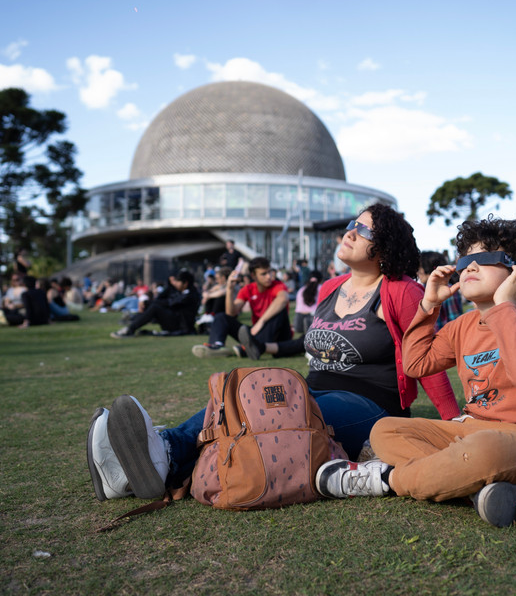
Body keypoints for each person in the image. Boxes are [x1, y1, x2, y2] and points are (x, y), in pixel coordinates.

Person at [87, 204, 460, 501]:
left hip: (371, 404)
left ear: (386, 247)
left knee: (267, 411)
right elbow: (314, 342)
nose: (349, 232)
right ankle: (144, 461)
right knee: (241, 394)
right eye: (352, 223)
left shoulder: (402, 290)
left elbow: (425, 360)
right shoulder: (330, 287)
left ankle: (160, 455)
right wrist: (271, 349)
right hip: (312, 389)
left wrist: (451, 425)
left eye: (363, 229)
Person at [313, 217, 516, 529]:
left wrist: (504, 306)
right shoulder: (463, 325)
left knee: (483, 451)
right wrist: (428, 307)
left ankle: (386, 479)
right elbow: (416, 365)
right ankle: (489, 487)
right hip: (472, 431)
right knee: (385, 431)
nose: (470, 267)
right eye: (465, 260)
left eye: (485, 258)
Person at [191, 256, 291, 358]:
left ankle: (249, 348)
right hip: (257, 333)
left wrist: (261, 321)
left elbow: (283, 299)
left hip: (279, 334)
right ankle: (217, 346)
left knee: (280, 310)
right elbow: (231, 313)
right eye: (264, 274)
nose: (269, 276)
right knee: (221, 317)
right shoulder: (248, 289)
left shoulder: (278, 285)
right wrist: (229, 289)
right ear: (253, 276)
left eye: (269, 272)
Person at [111, 270, 199, 337]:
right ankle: (132, 322)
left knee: (155, 307)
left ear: (185, 283)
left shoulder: (190, 294)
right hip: (176, 321)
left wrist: (148, 302)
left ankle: (130, 329)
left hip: (181, 326)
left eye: (178, 281)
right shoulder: (183, 291)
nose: (175, 283)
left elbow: (171, 303)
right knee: (152, 306)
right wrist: (146, 303)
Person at [418, 250, 463, 331]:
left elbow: (455, 322)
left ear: (428, 267)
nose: (418, 272)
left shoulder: (447, 290)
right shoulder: (422, 290)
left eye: (420, 268)